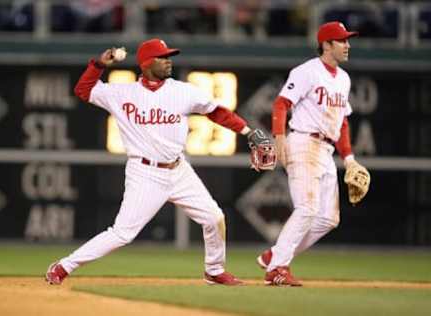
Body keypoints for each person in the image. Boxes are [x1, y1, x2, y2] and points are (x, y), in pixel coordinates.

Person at [45, 38, 274, 286]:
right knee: (122, 234)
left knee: (213, 217)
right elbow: (83, 89)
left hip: (179, 169)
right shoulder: (121, 93)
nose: (168, 62)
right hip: (145, 173)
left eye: (169, 57)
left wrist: (248, 131)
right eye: (162, 57)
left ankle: (214, 270)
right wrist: (98, 64)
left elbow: (217, 112)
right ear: (146, 63)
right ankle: (63, 266)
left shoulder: (183, 90)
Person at [256, 21, 370, 286]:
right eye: (342, 41)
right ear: (327, 45)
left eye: (347, 40)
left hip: (327, 149)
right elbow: (281, 103)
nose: (347, 45)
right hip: (303, 142)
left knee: (328, 219)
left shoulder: (343, 78)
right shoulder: (306, 71)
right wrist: (279, 138)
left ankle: (276, 254)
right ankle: (277, 269)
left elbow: (341, 122)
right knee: (307, 208)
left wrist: (350, 158)